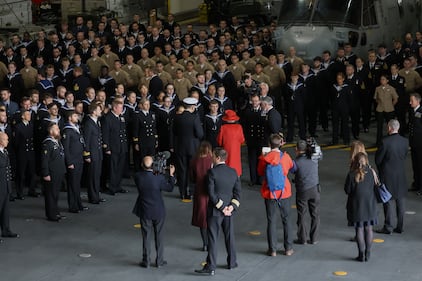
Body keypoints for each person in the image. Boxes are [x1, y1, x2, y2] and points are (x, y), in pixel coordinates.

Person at [195, 148, 241, 276]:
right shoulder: (233, 172)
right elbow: (237, 194)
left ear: (218, 158)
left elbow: (211, 193)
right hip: (229, 212)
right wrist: (230, 207)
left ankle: (211, 266)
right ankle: (232, 262)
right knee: (229, 236)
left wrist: (221, 208)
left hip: (215, 211)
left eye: (213, 157)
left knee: (213, 238)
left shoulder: (212, 173)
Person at [132, 156, 175, 268]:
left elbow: (145, 175)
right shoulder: (159, 178)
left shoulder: (138, 177)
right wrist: (171, 175)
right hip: (158, 210)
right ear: (153, 165)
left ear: (142, 165)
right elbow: (170, 188)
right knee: (159, 236)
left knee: (146, 236)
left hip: (145, 210)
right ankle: (159, 261)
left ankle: (146, 261)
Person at [257, 133, 296, 257]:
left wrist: (264, 156)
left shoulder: (264, 158)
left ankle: (272, 249)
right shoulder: (285, 157)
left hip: (270, 192)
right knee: (286, 219)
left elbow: (260, 172)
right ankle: (288, 248)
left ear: (269, 144)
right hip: (284, 192)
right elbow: (292, 167)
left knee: (271, 220)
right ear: (281, 144)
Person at [375, 119, 408, 234]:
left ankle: (388, 226)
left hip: (387, 175)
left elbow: (378, 160)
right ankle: (400, 226)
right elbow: (404, 156)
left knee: (387, 201)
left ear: (389, 128)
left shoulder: (385, 142)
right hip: (400, 175)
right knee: (400, 201)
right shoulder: (405, 141)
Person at [344, 152, 377, 262]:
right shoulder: (371, 172)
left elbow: (347, 190)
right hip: (370, 204)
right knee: (369, 228)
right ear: (366, 160)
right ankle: (368, 252)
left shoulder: (352, 174)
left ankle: (361, 254)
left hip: (356, 205)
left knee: (359, 229)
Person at [171, 97, 204, 200]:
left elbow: (174, 132)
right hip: (193, 148)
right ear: (193, 107)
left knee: (182, 170)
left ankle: (182, 192)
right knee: (192, 171)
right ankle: (191, 192)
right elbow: (200, 134)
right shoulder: (194, 118)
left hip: (180, 147)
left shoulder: (177, 118)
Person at [293, 140, 321, 245]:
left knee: (302, 214)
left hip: (302, 190)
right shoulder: (314, 159)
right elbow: (319, 154)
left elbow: (292, 170)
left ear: (297, 150)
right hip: (315, 189)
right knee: (315, 214)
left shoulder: (296, 162)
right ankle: (314, 238)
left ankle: (302, 238)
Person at [62, 110, 88, 213]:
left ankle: (78, 203)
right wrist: (69, 162)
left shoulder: (77, 129)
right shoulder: (67, 130)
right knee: (72, 184)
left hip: (79, 159)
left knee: (77, 184)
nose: (77, 117)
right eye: (74, 116)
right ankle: (72, 206)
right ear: (69, 118)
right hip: (72, 161)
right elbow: (66, 148)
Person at [190, 141, 213, 251]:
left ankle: (205, 243)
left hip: (199, 191)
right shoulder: (212, 160)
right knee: (212, 218)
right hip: (211, 191)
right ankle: (212, 242)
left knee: (202, 219)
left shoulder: (194, 161)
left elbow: (192, 178)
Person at [102, 99, 128, 195]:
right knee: (113, 168)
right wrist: (107, 148)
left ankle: (118, 185)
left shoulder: (121, 117)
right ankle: (112, 187)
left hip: (121, 147)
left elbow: (123, 133)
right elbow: (105, 134)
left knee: (120, 168)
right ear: (115, 108)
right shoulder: (108, 118)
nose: (122, 109)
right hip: (113, 147)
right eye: (120, 108)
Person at [41, 123, 67, 222]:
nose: (59, 130)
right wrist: (45, 173)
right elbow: (44, 160)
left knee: (55, 194)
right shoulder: (48, 143)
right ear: (51, 131)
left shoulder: (57, 142)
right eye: (56, 129)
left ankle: (56, 212)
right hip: (51, 173)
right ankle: (51, 215)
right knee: (50, 195)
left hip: (58, 171)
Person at [82, 102, 105, 204]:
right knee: (92, 176)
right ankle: (92, 197)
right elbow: (86, 141)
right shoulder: (88, 123)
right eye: (99, 109)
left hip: (98, 153)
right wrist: (87, 154)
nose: (101, 111)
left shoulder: (97, 122)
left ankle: (96, 195)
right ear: (94, 111)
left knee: (97, 175)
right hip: (92, 153)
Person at [0, 132, 19, 240]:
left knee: (5, 210)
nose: (8, 141)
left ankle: (6, 229)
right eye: (5, 139)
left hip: (5, 185)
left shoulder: (5, 151)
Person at [216, 110, 245, 177]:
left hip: (226, 149)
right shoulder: (239, 127)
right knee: (236, 163)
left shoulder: (223, 128)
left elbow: (219, 141)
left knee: (227, 162)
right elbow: (242, 140)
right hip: (236, 150)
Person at [374, 75, 398, 145]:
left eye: (383, 79)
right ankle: (378, 141)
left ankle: (390, 140)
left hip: (389, 109)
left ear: (387, 80)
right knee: (379, 126)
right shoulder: (378, 88)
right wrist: (380, 103)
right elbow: (376, 98)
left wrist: (391, 105)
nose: (382, 81)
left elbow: (395, 99)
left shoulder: (391, 88)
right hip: (380, 109)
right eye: (381, 79)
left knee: (390, 126)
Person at [409, 94, 422, 194]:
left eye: (412, 101)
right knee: (415, 165)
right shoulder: (412, 111)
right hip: (414, 143)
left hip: (420, 144)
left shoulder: (421, 112)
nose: (410, 102)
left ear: (418, 101)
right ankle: (416, 184)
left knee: (420, 166)